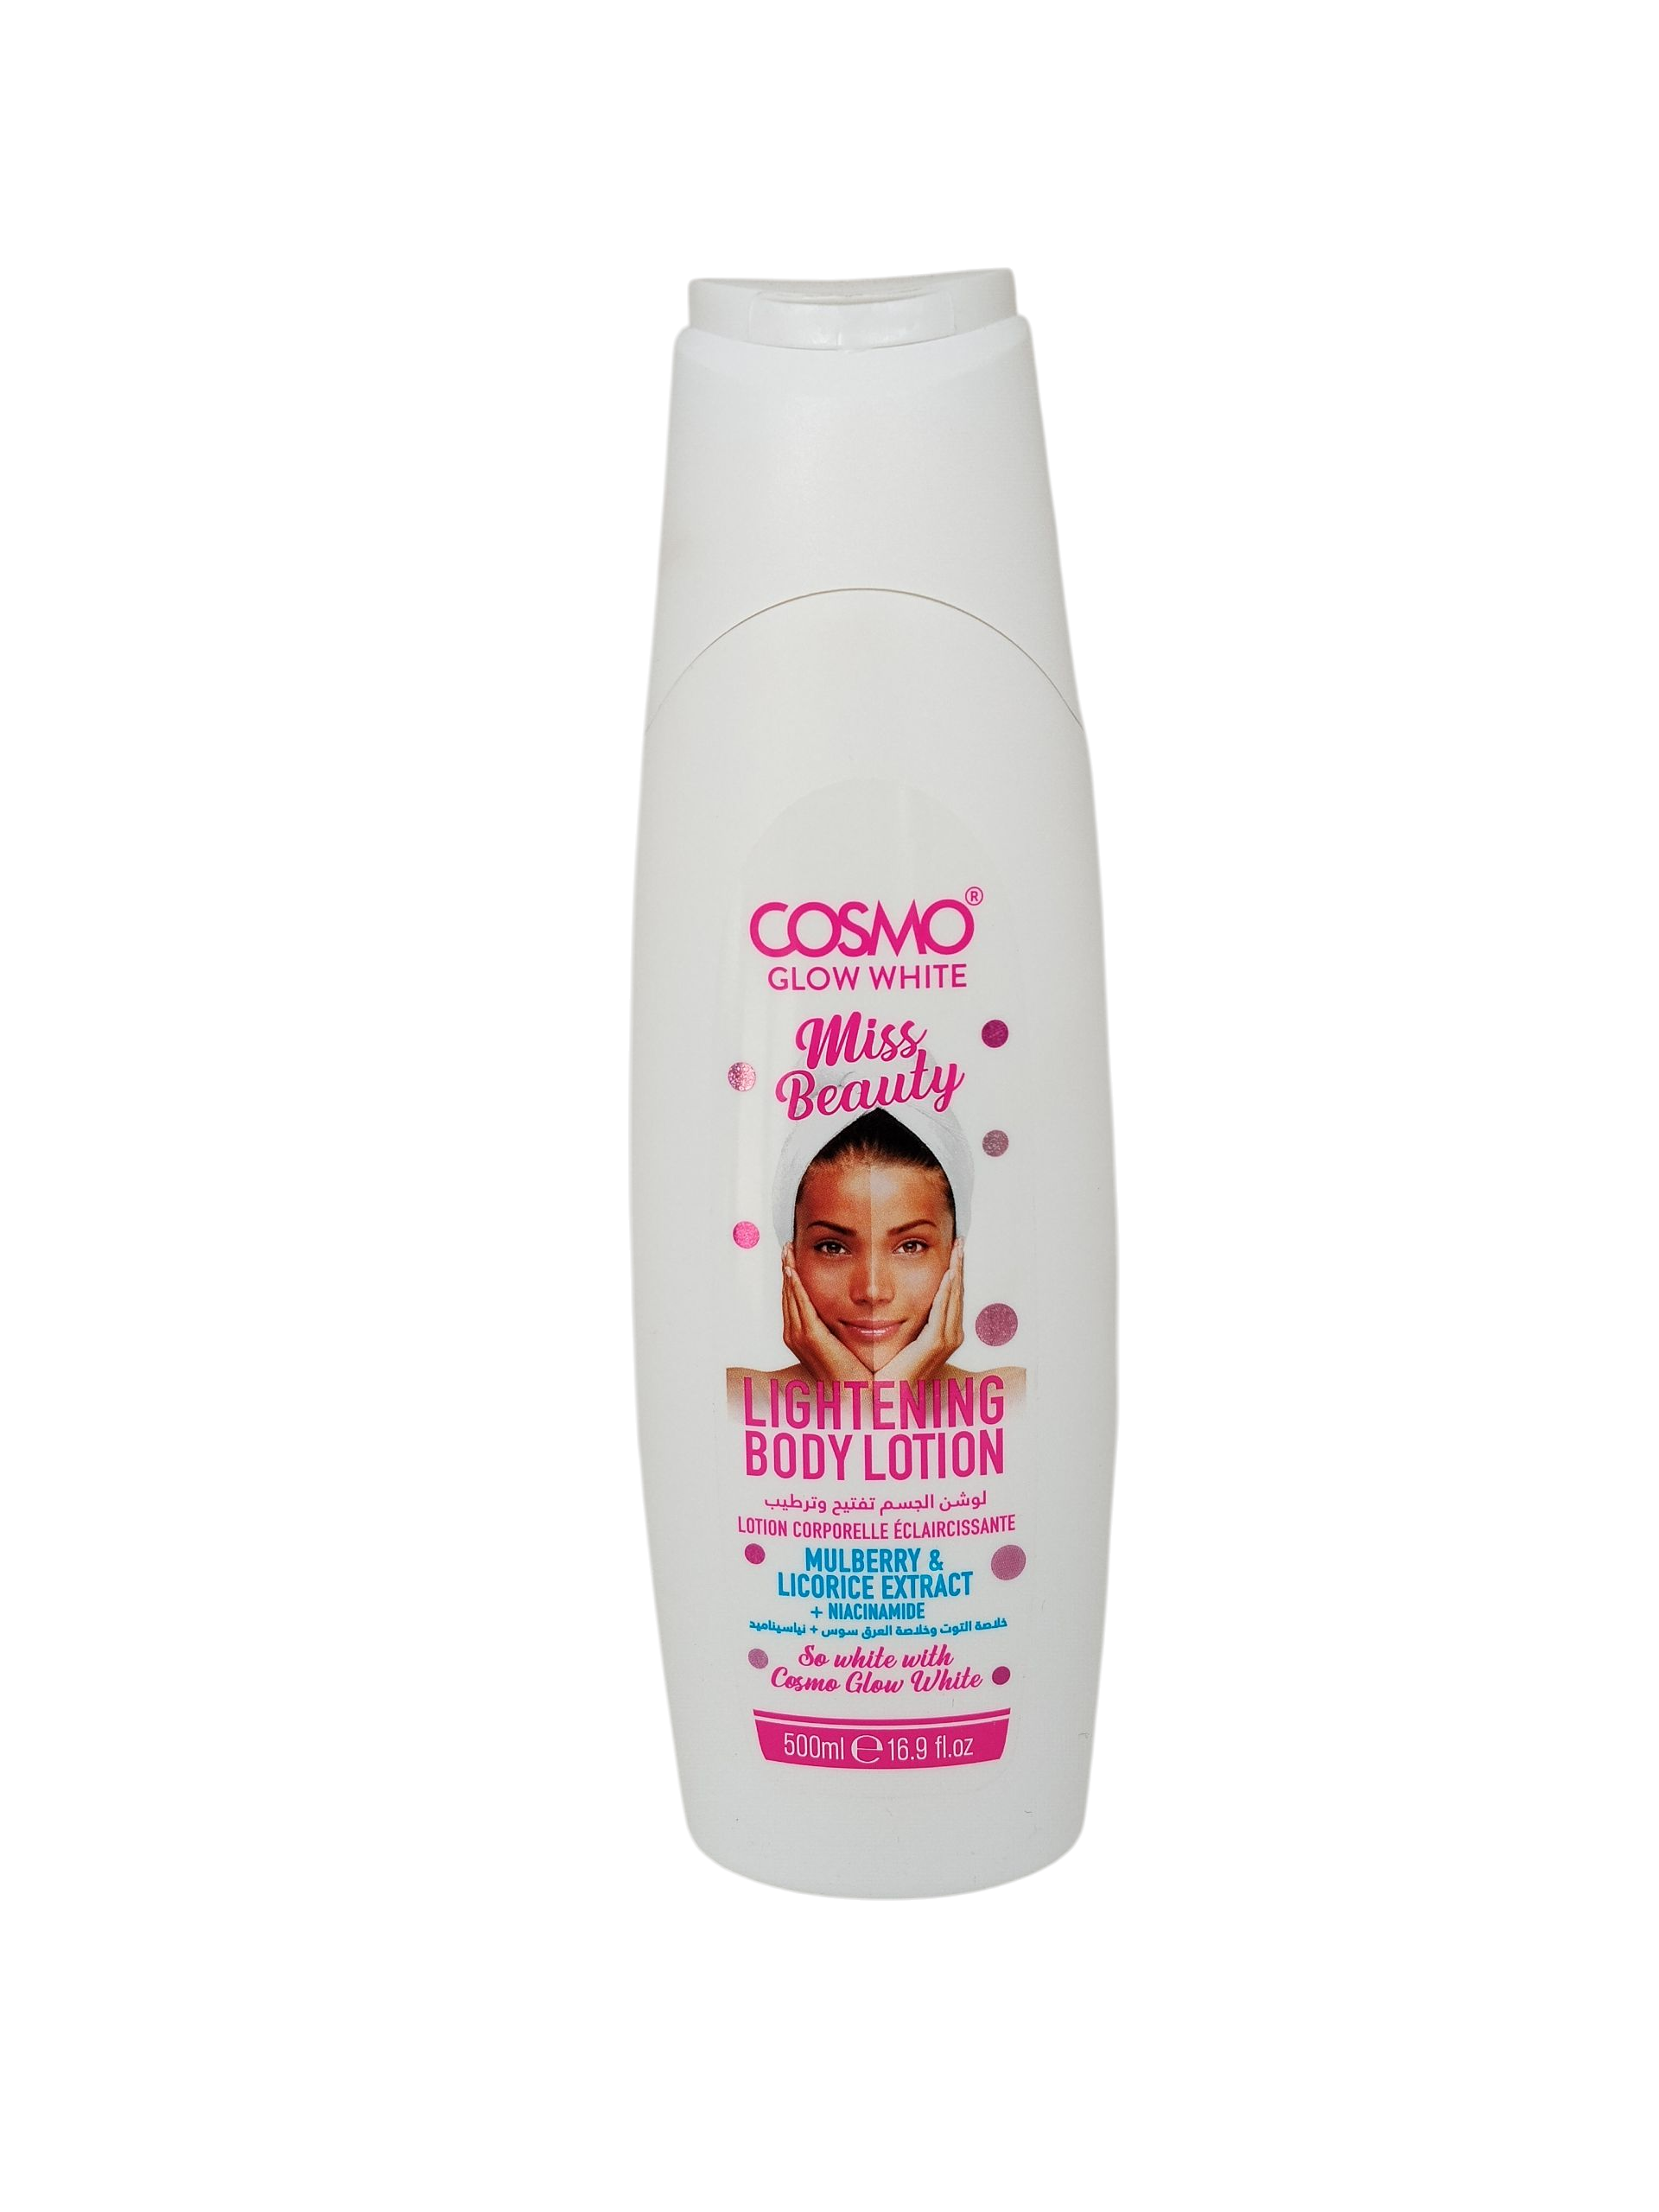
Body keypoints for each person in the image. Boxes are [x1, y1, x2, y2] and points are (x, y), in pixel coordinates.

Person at [728, 1109, 1023, 1397]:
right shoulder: (736, 1397)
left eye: (910, 1246)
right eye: (833, 1247)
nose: (872, 1291)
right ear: (790, 1254)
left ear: (955, 1251)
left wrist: (879, 1399)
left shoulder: (1012, 1396)